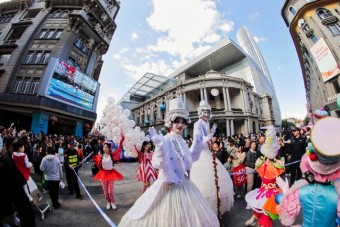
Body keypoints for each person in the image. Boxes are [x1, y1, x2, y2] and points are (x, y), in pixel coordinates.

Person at [118, 97, 219, 227]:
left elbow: (191, 158)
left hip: (184, 184)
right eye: (177, 121)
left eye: (183, 121)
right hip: (168, 186)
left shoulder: (182, 141)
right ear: (170, 122)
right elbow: (157, 164)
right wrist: (159, 146)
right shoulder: (165, 139)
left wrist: (199, 140)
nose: (180, 125)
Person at [279, 117, 340, 227]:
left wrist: (284, 198)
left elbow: (287, 218)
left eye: (295, 130)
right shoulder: (336, 195)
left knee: (297, 177)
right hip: (294, 162)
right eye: (292, 131)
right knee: (293, 176)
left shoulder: (302, 192)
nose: (293, 132)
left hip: (302, 165)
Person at [190, 100, 234, 216]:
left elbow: (207, 138)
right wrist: (208, 137)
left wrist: (212, 132)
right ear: (200, 112)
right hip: (201, 153)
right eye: (205, 112)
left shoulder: (205, 124)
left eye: (208, 112)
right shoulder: (197, 124)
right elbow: (197, 140)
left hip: (207, 152)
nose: (207, 114)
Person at [245, 126, 285, 227]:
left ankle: (261, 223)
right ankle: (254, 219)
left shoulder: (277, 163)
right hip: (263, 190)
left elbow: (279, 175)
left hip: (271, 192)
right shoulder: (261, 162)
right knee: (259, 208)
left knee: (266, 212)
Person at [93, 141, 124, 210]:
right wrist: (98, 159)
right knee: (105, 191)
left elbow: (119, 149)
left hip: (111, 174)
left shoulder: (112, 155)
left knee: (110, 191)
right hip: (103, 174)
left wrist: (122, 141)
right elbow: (97, 164)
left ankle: (112, 202)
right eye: (104, 147)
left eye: (106, 147)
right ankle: (108, 202)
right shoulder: (100, 156)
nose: (105, 148)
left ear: (109, 148)